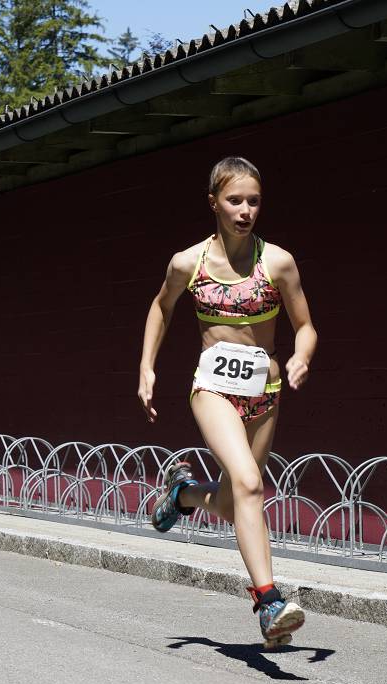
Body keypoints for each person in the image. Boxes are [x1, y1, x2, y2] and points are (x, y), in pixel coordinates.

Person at [137, 156, 317, 649]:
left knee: (235, 499)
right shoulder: (188, 263)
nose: (245, 211)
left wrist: (301, 356)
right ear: (213, 202)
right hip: (213, 389)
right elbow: (161, 307)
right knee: (249, 484)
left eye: (253, 201)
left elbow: (305, 326)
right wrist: (147, 366)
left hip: (265, 393)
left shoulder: (277, 262)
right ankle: (269, 601)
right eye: (234, 200)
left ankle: (184, 495)